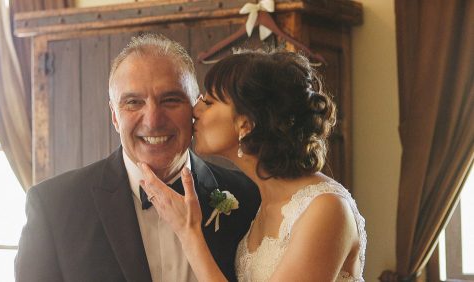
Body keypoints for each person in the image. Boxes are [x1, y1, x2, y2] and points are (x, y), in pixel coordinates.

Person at [14, 33, 260, 282]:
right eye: (133, 102)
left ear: (194, 107)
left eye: (171, 100)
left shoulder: (249, 196)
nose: (153, 120)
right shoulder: (54, 206)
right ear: (114, 116)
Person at [140, 50, 367, 281]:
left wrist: (188, 232)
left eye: (208, 102)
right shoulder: (260, 203)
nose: (194, 111)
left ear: (246, 125)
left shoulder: (325, 208)